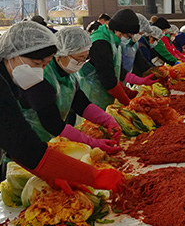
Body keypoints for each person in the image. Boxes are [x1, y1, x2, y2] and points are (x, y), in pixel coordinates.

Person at [0, 21, 125, 192]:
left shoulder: (13, 80)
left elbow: (16, 144)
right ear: (13, 55)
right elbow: (23, 144)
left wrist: (52, 176)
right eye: (37, 64)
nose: (40, 72)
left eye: (44, 65)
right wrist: (93, 176)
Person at [19, 26, 122, 152]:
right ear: (60, 53)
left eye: (85, 58)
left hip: (52, 144)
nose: (81, 63)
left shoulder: (69, 74)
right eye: (79, 59)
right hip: (27, 147)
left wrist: (108, 120)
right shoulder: (41, 77)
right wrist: (93, 143)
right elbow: (53, 123)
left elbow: (81, 103)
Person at [79, 9, 140, 110]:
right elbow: (107, 77)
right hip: (92, 95)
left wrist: (126, 91)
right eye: (127, 36)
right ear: (117, 30)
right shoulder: (101, 43)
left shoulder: (112, 41)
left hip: (102, 94)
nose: (127, 39)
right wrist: (127, 101)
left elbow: (112, 71)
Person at [120, 13, 157, 84]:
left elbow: (141, 62)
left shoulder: (134, 44)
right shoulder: (119, 44)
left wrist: (154, 72)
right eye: (139, 33)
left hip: (124, 81)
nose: (140, 36)